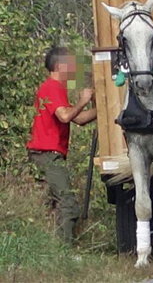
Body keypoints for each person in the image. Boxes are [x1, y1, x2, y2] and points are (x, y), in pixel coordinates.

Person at [27, 47, 97, 244]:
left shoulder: (57, 89)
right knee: (68, 202)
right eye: (71, 65)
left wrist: (102, 109)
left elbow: (80, 119)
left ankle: (53, 247)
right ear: (59, 66)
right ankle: (65, 248)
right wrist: (83, 100)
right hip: (46, 154)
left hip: (49, 154)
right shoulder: (52, 87)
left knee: (52, 204)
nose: (74, 70)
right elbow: (65, 116)